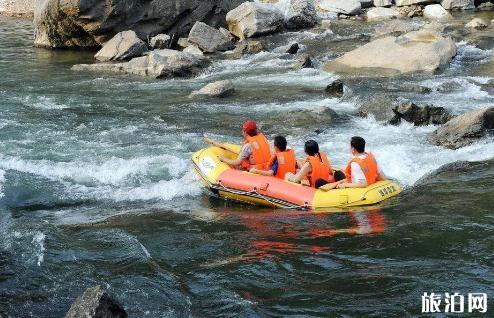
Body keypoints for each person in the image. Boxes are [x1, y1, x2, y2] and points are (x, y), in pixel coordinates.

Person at [321, 136, 386, 190]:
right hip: (370, 183)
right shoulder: (371, 157)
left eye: (350, 147)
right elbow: (382, 177)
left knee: (320, 182)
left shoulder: (355, 163)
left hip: (355, 189)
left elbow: (363, 184)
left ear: (353, 149)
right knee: (338, 173)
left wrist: (345, 185)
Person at [205, 120, 271, 170]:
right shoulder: (265, 140)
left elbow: (237, 162)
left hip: (254, 172)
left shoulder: (247, 146)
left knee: (237, 166)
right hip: (266, 168)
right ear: (256, 130)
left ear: (245, 132)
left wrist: (223, 159)